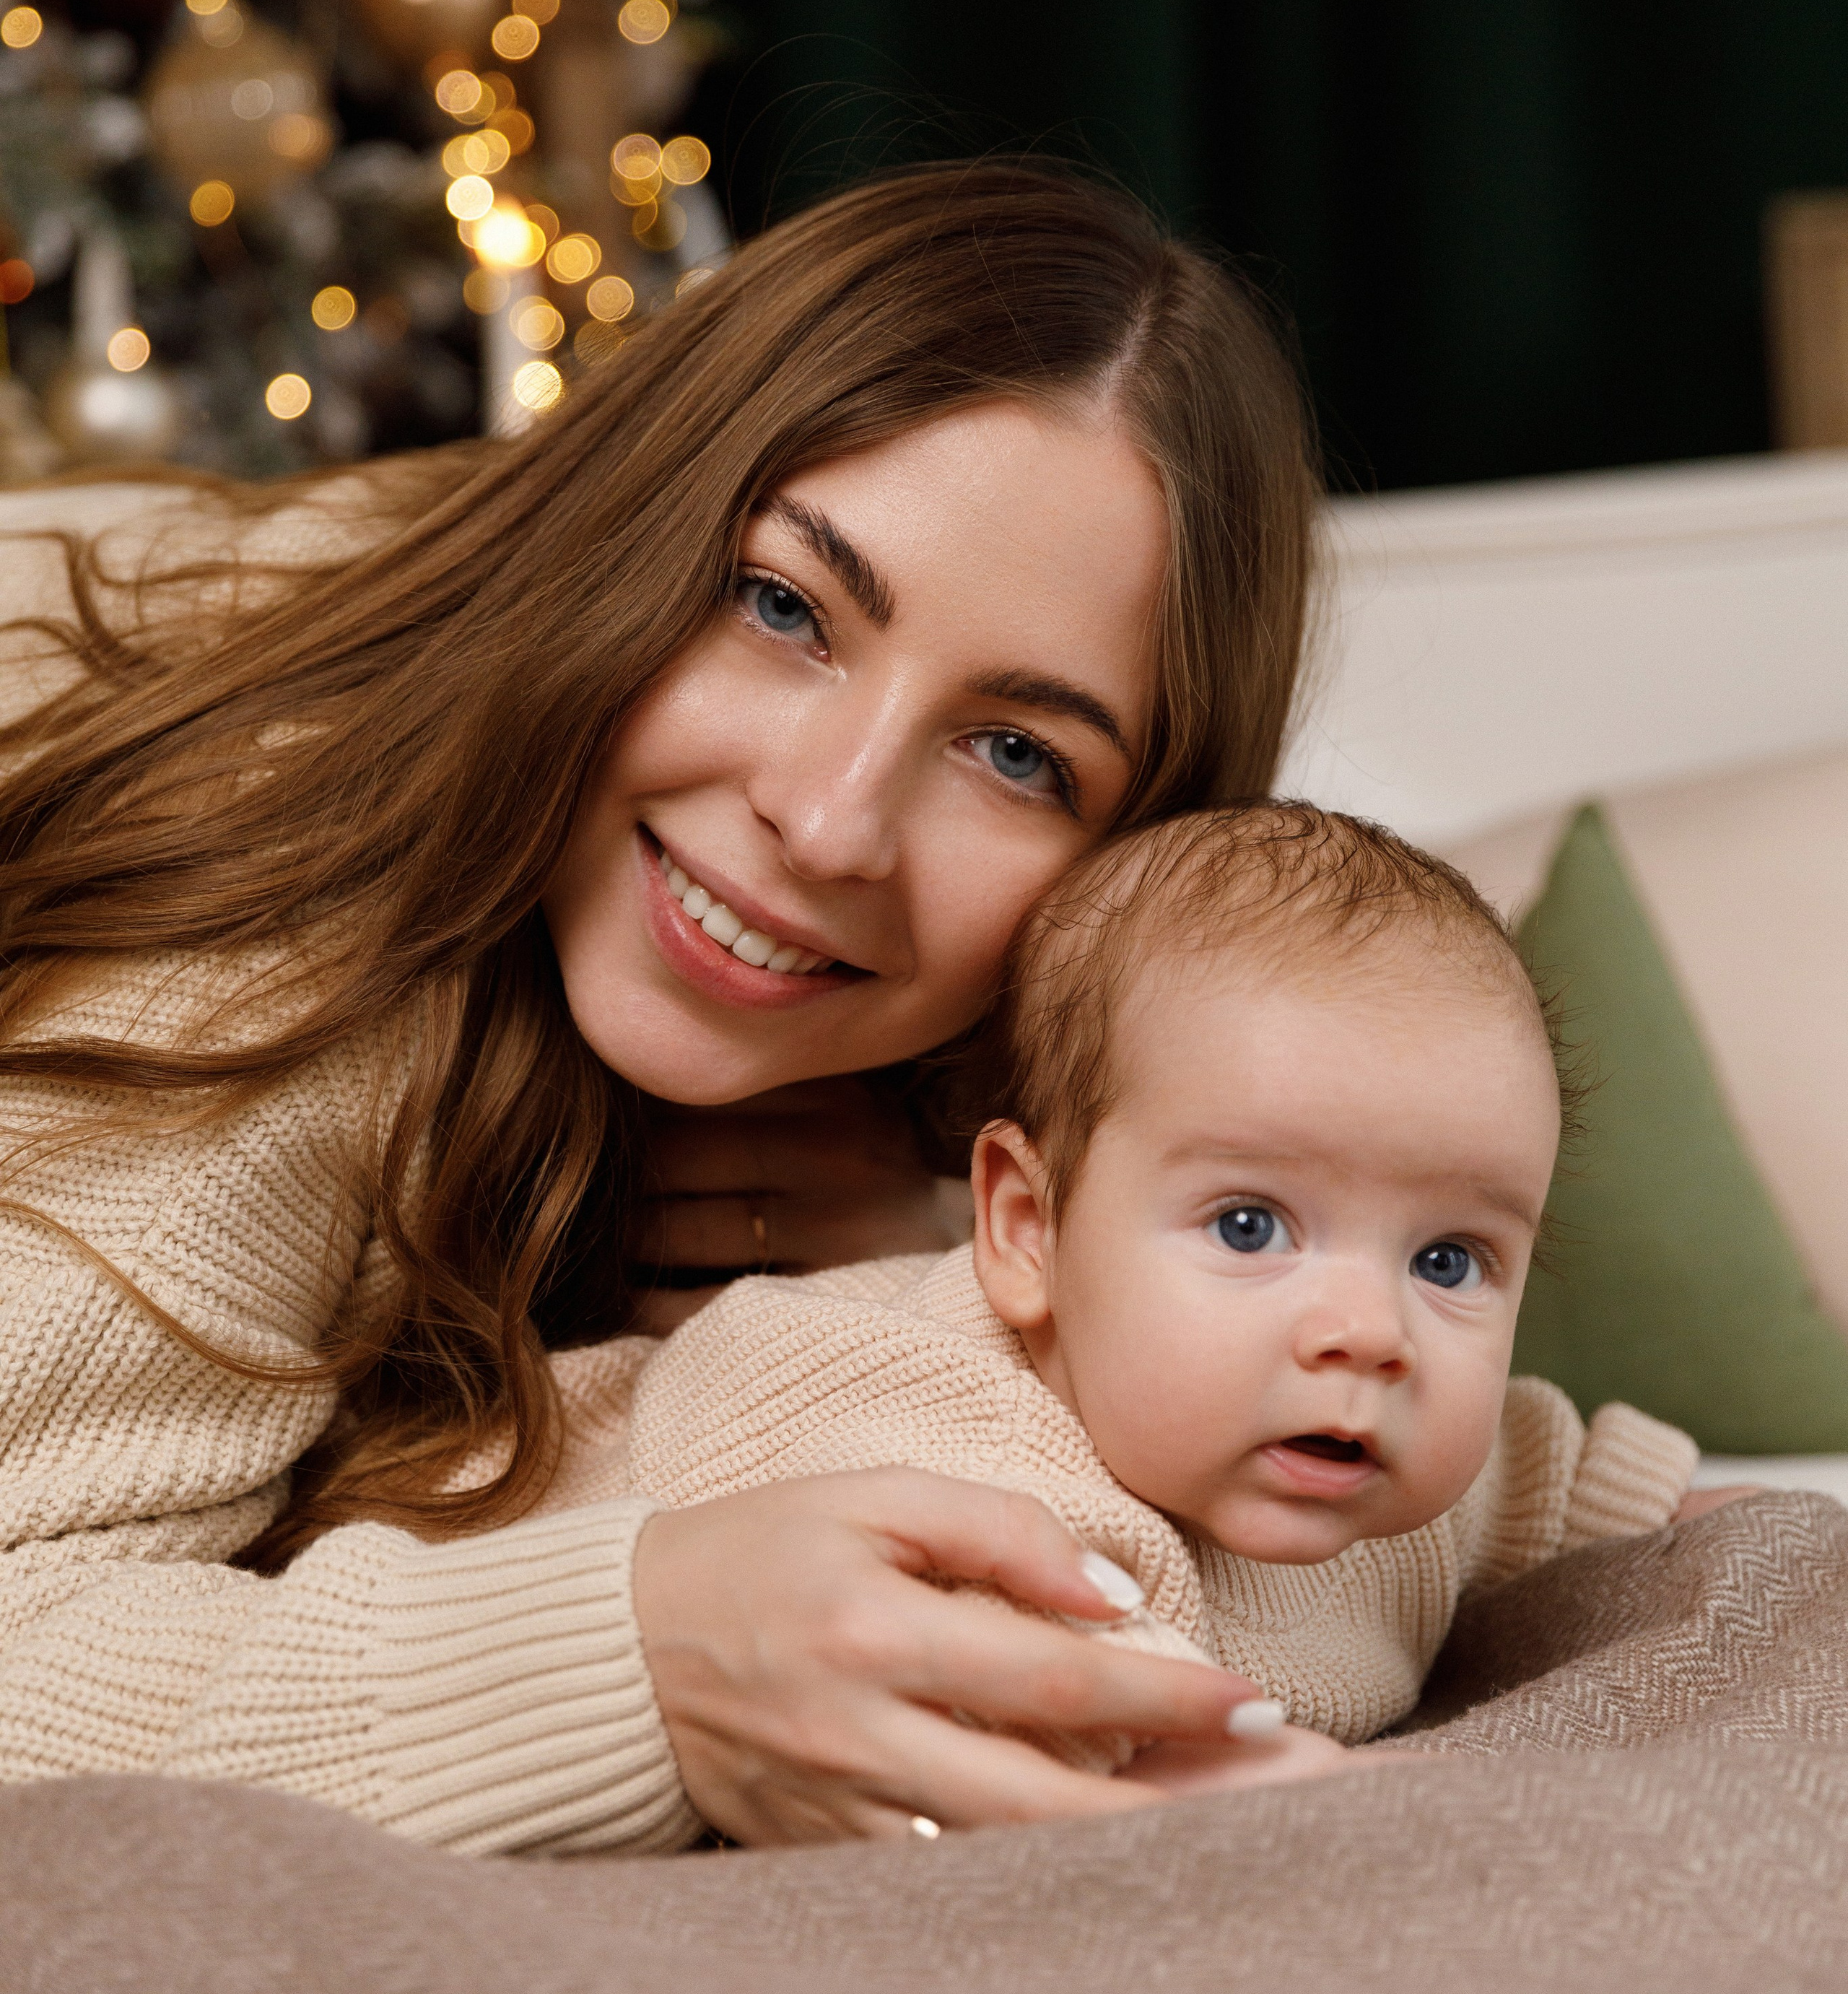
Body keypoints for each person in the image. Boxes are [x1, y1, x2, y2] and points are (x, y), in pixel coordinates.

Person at [0, 160, 1320, 1852]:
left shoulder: (923, 1098)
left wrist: (967, 1253)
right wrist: (645, 1653)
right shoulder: (282, 937)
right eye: (782, 606)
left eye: (1015, 755)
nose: (827, 822)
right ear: (628, 531)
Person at [510, 803, 1732, 1801]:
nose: (1371, 1333)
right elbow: (1049, 1695)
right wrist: (1253, 1779)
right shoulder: (939, 1425)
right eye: (1251, 1227)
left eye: (1449, 1261)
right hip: (470, 1575)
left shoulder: (1393, 1473)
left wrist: (1716, 1516)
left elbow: (1554, 1477)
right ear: (1028, 1232)